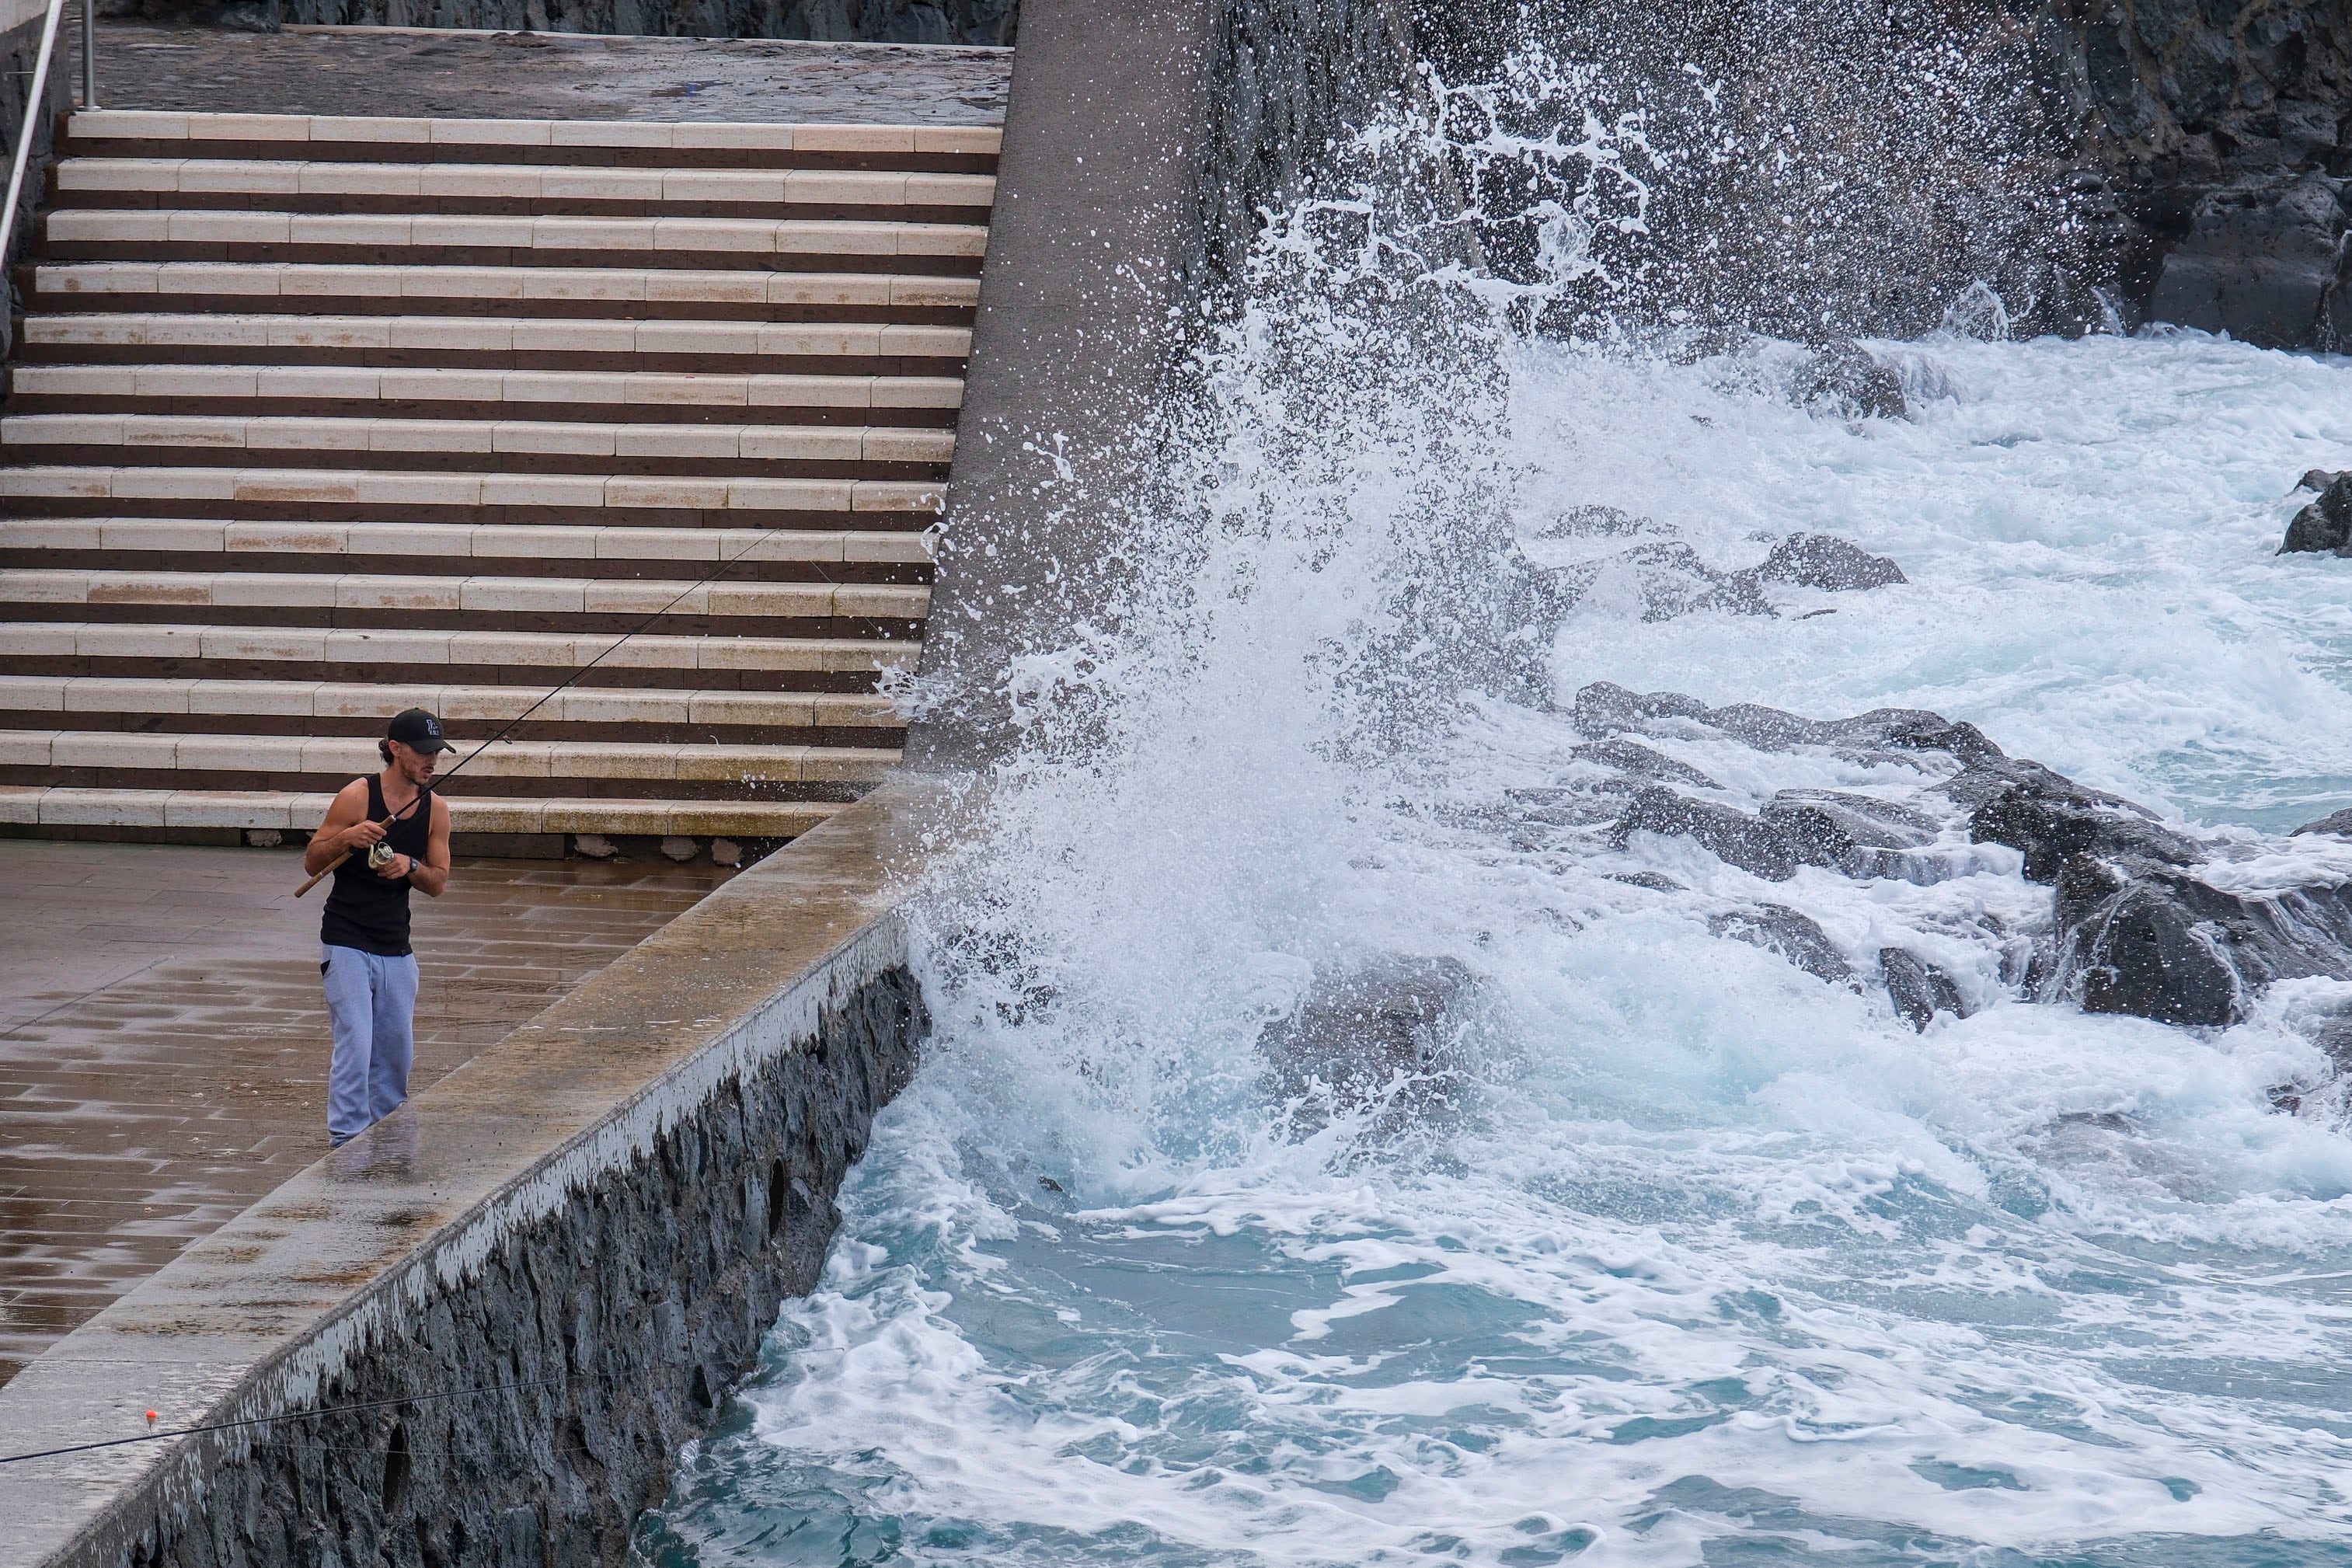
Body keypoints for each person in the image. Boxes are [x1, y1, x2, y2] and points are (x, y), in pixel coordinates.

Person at [305, 709, 455, 1145]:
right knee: (356, 1045)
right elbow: (313, 860)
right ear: (395, 749)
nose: (432, 762)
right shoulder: (356, 795)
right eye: (424, 753)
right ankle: (346, 1142)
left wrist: (410, 866)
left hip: (397, 948)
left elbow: (439, 883)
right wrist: (347, 838)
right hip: (346, 939)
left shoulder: (435, 810)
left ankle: (390, 1142)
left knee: (395, 1055)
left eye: (437, 753)